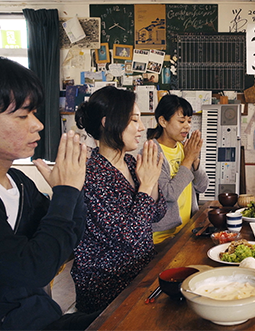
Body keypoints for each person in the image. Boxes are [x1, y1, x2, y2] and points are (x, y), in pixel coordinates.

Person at [0, 54, 98, 331]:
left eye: (33, 113)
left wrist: (72, 191)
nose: (38, 125)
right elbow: (35, 269)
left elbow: (66, 240)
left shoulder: (19, 181)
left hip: (43, 318)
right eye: (22, 115)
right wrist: (65, 192)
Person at [72, 86, 166, 314]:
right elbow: (129, 237)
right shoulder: (91, 174)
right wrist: (146, 186)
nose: (141, 127)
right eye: (134, 120)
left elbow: (157, 213)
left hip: (139, 275)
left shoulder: (132, 164)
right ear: (107, 122)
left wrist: (150, 183)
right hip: (107, 287)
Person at [146, 95, 209, 245]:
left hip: (187, 229)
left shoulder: (183, 148)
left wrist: (194, 162)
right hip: (163, 238)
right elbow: (169, 194)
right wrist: (188, 159)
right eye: (181, 121)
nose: (187, 126)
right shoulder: (152, 152)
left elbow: (202, 186)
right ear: (163, 121)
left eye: (189, 121)